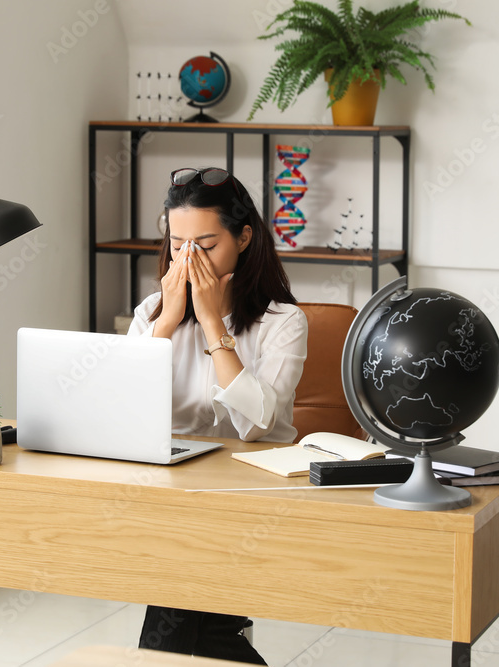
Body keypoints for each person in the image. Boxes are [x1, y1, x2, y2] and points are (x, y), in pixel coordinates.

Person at [128, 167, 308, 665]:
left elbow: (256, 426)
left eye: (205, 245)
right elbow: (121, 407)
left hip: (252, 500)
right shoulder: (150, 314)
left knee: (180, 616)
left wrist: (211, 322)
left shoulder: (283, 322)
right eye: (178, 243)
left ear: (244, 237)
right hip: (171, 499)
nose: (189, 259)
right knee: (204, 634)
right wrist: (168, 320)